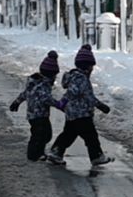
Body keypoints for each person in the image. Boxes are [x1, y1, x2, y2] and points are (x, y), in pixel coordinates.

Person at [45, 44, 114, 176]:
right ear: (87, 67)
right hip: (82, 114)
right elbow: (79, 94)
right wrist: (100, 106)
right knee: (91, 136)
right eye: (91, 66)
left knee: (68, 134)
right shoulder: (81, 79)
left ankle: (56, 152)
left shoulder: (74, 77)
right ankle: (96, 156)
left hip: (72, 113)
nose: (92, 69)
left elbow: (82, 95)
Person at [9, 50, 64, 161]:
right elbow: (46, 99)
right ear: (50, 75)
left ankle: (40, 153)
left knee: (45, 135)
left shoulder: (34, 82)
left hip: (37, 114)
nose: (55, 79)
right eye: (54, 76)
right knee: (38, 135)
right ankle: (33, 155)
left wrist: (17, 102)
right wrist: (60, 105)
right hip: (38, 116)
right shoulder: (44, 85)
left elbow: (25, 93)